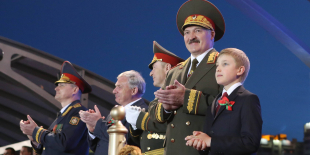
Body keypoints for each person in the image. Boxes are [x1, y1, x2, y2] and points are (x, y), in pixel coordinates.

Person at [147, 0, 225, 154]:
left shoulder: (223, 64)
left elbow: (230, 106)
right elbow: (153, 110)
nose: (191, 37)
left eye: (198, 31)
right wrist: (166, 108)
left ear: (212, 34)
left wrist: (186, 98)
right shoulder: (175, 71)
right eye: (187, 32)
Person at [185, 48, 263, 154]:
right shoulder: (215, 101)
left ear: (240, 70)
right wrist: (202, 143)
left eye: (225, 64)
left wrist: (211, 141)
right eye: (217, 65)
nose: (217, 69)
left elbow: (250, 142)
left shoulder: (248, 99)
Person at [20, 61, 91, 155]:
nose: (56, 88)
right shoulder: (64, 115)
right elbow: (51, 147)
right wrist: (34, 138)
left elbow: (64, 144)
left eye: (61, 85)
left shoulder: (79, 113)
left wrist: (36, 131)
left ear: (75, 89)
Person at [126, 41, 184, 154]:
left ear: (167, 67)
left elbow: (175, 126)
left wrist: (140, 119)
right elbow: (141, 139)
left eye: (154, 68)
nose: (151, 73)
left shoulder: (177, 95)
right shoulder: (157, 99)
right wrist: (135, 126)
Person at [79, 70, 148, 155]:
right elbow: (99, 147)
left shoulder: (143, 112)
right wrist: (92, 129)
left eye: (119, 87)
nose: (114, 91)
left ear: (133, 90)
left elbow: (127, 140)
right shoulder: (115, 112)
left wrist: (97, 123)